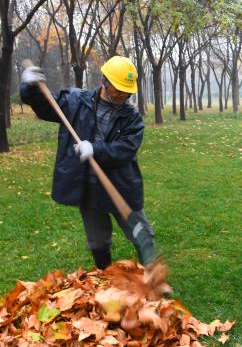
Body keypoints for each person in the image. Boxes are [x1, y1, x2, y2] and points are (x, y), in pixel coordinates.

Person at [19, 56, 155, 269]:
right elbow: (46, 107)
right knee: (97, 239)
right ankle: (103, 278)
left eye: (126, 91)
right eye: (118, 89)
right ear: (104, 81)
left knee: (142, 235)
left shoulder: (132, 117)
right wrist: (29, 89)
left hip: (121, 184)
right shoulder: (75, 102)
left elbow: (126, 149)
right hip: (88, 186)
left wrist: (95, 148)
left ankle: (155, 280)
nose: (122, 96)